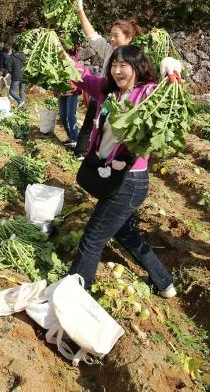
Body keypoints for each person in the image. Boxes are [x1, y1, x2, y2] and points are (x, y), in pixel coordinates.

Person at [70, 45, 179, 298]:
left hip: (129, 181)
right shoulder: (110, 94)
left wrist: (172, 71)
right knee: (124, 232)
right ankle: (165, 284)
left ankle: (75, 298)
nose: (117, 70)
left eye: (124, 65)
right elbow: (85, 78)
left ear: (138, 67)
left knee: (92, 239)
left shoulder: (147, 94)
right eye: (114, 65)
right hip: (114, 177)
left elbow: (170, 91)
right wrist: (63, 56)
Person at [73, 0, 141, 158]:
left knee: (108, 130)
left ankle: (106, 157)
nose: (111, 39)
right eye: (110, 35)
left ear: (128, 38)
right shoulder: (109, 51)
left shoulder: (134, 58)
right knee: (92, 123)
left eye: (116, 36)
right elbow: (92, 37)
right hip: (102, 95)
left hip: (118, 103)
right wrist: (80, 10)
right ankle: (83, 152)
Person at [5, 42, 27, 107]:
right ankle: (21, 107)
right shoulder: (24, 55)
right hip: (24, 76)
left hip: (16, 76)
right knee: (21, 91)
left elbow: (9, 67)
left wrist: (4, 75)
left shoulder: (12, 56)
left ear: (13, 48)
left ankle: (21, 101)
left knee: (11, 91)